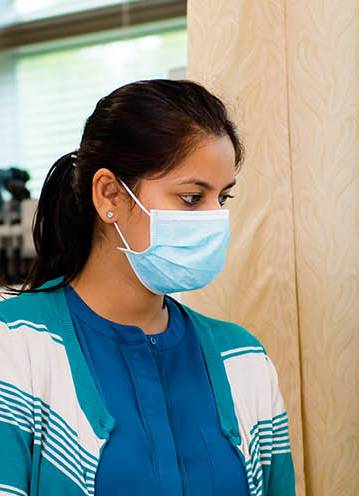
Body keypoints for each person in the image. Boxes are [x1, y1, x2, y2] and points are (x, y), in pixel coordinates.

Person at [0, 79, 295, 496]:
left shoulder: (243, 359)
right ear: (110, 195)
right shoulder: (14, 346)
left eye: (223, 199)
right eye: (193, 198)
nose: (215, 218)